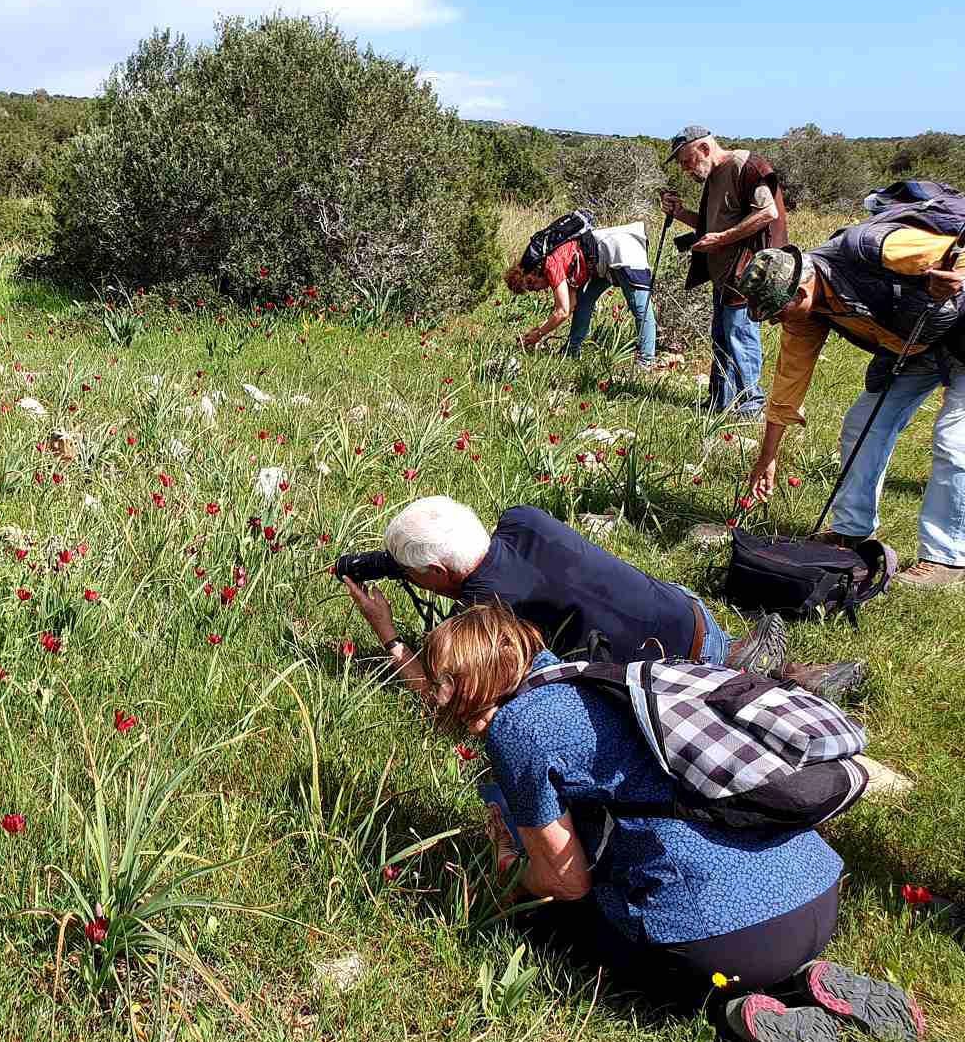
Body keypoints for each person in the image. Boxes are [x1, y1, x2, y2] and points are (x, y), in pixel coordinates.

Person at [427, 602, 924, 1042]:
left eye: (441, 685)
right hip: (816, 896)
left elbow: (567, 882)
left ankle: (729, 1009)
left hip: (731, 942)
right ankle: (804, 975)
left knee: (559, 927)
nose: (433, 697)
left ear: (467, 684)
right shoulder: (592, 681)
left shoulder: (519, 729)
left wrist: (509, 874)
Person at [341, 496, 863, 698]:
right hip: (687, 611)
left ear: (434, 571)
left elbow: (444, 698)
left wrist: (387, 634)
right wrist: (382, 562)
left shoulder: (483, 615)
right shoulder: (523, 519)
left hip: (663, 674)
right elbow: (461, 556)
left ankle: (752, 686)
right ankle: (753, 666)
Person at [736, 227, 965, 589]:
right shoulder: (805, 317)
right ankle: (850, 533)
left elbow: (957, 250)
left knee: (955, 441)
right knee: (862, 424)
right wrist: (767, 457)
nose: (775, 322)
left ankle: (946, 559)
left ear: (799, 293)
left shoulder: (873, 248)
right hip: (917, 344)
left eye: (776, 313)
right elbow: (787, 388)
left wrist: (960, 278)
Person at [658, 127, 787, 418]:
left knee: (740, 335)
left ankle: (751, 406)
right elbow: (710, 228)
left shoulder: (746, 166)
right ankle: (721, 401)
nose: (685, 168)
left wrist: (722, 239)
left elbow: (768, 213)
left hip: (748, 271)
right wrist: (681, 214)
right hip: (725, 274)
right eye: (681, 164)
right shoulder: (715, 177)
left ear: (704, 148)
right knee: (722, 336)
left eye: (686, 160)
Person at [505, 222, 657, 368]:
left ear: (533, 272)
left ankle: (646, 361)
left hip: (623, 249)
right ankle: (571, 351)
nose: (536, 290)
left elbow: (562, 311)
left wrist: (538, 334)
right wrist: (538, 331)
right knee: (584, 301)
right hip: (602, 262)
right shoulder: (557, 262)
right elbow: (570, 304)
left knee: (640, 308)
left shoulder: (550, 265)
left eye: (531, 285)